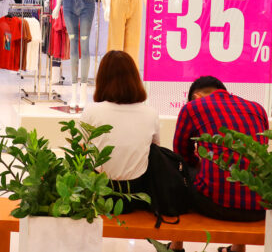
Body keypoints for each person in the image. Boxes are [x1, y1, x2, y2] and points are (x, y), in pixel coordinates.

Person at [169, 76, 269, 252]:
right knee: (244, 167)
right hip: (261, 207)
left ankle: (176, 246)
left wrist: (200, 164)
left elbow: (181, 154)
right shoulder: (257, 108)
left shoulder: (193, 107)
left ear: (196, 96)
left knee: (180, 174)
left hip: (215, 205)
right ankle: (238, 248)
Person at [81, 51, 159, 212]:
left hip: (98, 193)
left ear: (102, 79)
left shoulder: (92, 111)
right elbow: (155, 149)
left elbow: (80, 149)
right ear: (135, 78)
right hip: (136, 195)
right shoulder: (151, 113)